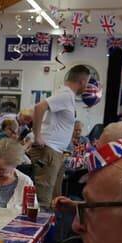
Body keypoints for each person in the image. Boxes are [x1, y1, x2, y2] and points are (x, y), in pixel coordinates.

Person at [28, 65, 90, 207]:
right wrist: (37, 136)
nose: (86, 87)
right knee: (44, 198)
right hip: (49, 150)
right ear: (82, 81)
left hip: (56, 152)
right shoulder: (66, 95)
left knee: (54, 198)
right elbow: (39, 107)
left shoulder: (67, 95)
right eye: (86, 83)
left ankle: (51, 226)